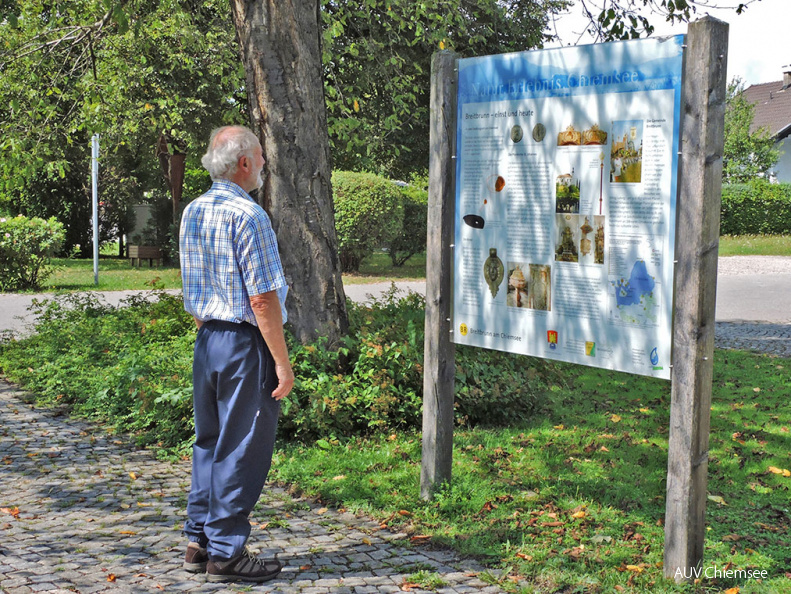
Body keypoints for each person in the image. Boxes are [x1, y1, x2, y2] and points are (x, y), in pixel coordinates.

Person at [179, 125, 294, 583]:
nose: (265, 164)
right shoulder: (249, 216)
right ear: (244, 162)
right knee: (242, 448)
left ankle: (198, 541)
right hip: (245, 344)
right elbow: (262, 299)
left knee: (209, 443)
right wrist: (281, 363)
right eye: (261, 157)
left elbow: (194, 283)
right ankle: (226, 553)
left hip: (208, 342)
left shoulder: (194, 210)